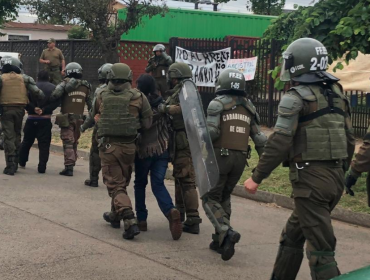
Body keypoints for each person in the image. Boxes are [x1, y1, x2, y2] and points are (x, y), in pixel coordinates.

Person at [244, 38, 356, 280]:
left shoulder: (295, 97)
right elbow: (349, 139)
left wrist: (257, 177)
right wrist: (343, 173)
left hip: (310, 183)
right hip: (334, 179)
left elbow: (280, 141)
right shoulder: (336, 93)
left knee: (321, 251)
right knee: (292, 236)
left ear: (298, 65)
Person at [204, 68, 267, 260]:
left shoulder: (217, 104)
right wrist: (264, 163)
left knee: (210, 197)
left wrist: (200, 132)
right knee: (224, 196)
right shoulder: (249, 107)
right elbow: (259, 139)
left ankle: (226, 231)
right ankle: (219, 240)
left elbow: (212, 133)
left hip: (219, 157)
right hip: (240, 159)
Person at [95, 63, 153, 240]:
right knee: (121, 182)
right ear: (129, 78)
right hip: (129, 147)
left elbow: (94, 116)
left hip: (109, 146)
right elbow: (148, 123)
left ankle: (128, 219)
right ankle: (114, 216)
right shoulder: (139, 97)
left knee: (115, 185)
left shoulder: (101, 95)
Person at [134, 74, 182, 240]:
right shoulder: (161, 102)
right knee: (158, 183)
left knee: (140, 184)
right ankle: (170, 211)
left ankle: (141, 219)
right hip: (161, 149)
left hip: (143, 151)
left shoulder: (139, 103)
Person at [158, 62, 202, 234]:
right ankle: (181, 212)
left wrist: (165, 109)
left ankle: (193, 218)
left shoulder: (187, 90)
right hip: (178, 138)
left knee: (187, 179)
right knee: (179, 177)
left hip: (185, 138)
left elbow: (184, 109)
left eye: (171, 76)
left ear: (175, 76)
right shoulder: (181, 90)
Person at [0, 56, 44, 175]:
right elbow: (38, 93)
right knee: (17, 134)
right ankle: (16, 161)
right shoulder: (24, 78)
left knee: (8, 136)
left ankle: (10, 165)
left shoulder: (1, 78)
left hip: (5, 110)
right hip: (20, 110)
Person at [50, 62, 92, 176]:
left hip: (67, 117)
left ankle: (69, 166)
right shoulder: (86, 86)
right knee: (74, 141)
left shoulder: (65, 83)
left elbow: (54, 95)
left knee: (68, 141)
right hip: (79, 118)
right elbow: (91, 105)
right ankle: (72, 162)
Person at [19, 70, 59, 173]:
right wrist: (44, 110)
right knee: (44, 144)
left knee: (27, 141)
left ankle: (22, 161)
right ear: (48, 78)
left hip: (31, 118)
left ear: (37, 78)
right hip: (45, 119)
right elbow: (56, 103)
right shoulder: (53, 88)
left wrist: (33, 108)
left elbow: (25, 101)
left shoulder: (31, 87)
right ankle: (42, 167)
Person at [80, 63, 113, 187]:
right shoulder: (127, 90)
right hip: (120, 126)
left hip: (102, 126)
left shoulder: (101, 90)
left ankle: (94, 178)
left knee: (96, 151)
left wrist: (84, 126)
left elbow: (93, 111)